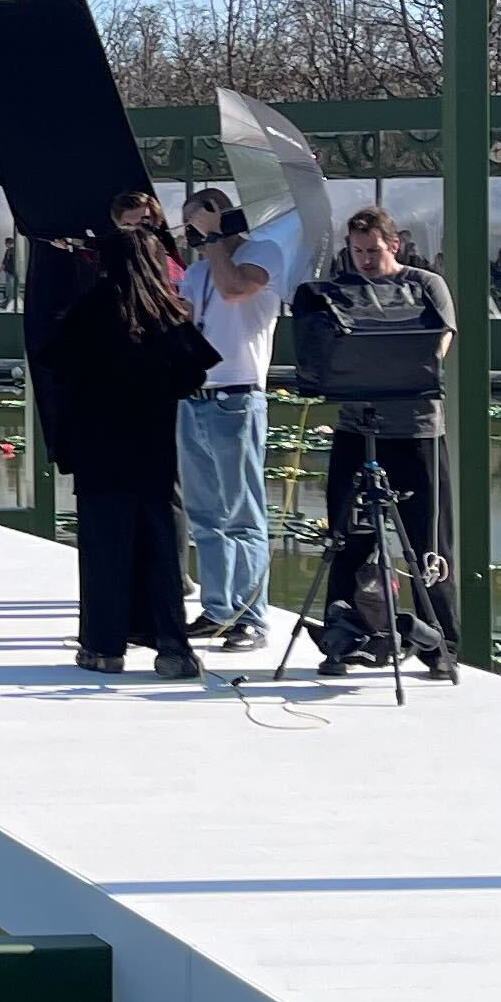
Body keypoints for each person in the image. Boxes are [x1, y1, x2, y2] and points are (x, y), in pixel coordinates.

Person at [33, 189, 215, 681]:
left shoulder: (89, 312)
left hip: (98, 449)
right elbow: (193, 375)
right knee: (160, 550)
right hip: (152, 453)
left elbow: (54, 365)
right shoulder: (167, 316)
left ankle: (103, 645)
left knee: (103, 551)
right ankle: (172, 648)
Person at [310, 201, 459, 678]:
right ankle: (345, 637)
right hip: (359, 428)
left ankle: (443, 646)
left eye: (373, 250)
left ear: (393, 245)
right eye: (356, 251)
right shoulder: (340, 290)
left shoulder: (425, 284)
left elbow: (439, 343)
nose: (365, 259)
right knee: (347, 537)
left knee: (428, 542)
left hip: (416, 430)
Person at [175, 182, 281, 655]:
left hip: (237, 397)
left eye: (200, 222)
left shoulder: (265, 253)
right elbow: (182, 318)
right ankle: (217, 609)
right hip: (193, 395)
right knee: (204, 514)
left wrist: (217, 238)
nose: (195, 236)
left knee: (243, 513)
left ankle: (252, 616)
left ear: (223, 216)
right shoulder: (197, 272)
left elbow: (236, 289)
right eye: (191, 227)